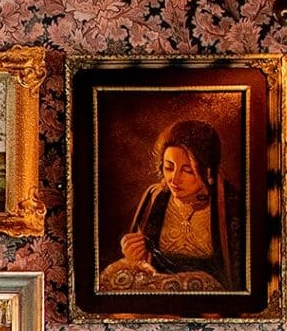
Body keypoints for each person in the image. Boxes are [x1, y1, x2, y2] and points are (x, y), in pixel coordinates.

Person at [98, 118, 234, 293]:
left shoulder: (230, 206)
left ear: (208, 172)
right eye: (169, 167)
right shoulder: (156, 197)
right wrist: (134, 252)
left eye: (187, 170)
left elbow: (234, 275)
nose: (174, 179)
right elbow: (146, 258)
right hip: (158, 285)